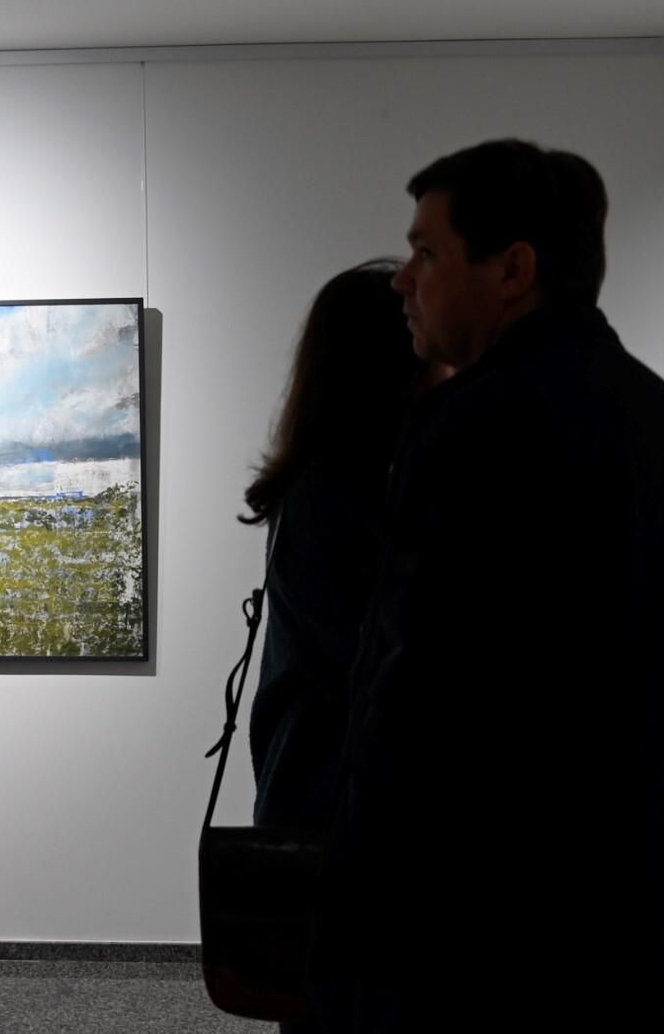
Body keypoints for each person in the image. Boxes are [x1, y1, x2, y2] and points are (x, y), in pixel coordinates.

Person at [305, 140, 664, 1033]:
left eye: (428, 252)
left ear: (513, 268)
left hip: (499, 964)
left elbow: (407, 725)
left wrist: (347, 974)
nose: (404, 280)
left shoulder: (469, 434)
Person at [242, 259, 441, 1034]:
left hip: (319, 810)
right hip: (347, 829)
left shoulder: (326, 490)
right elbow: (384, 671)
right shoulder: (347, 498)